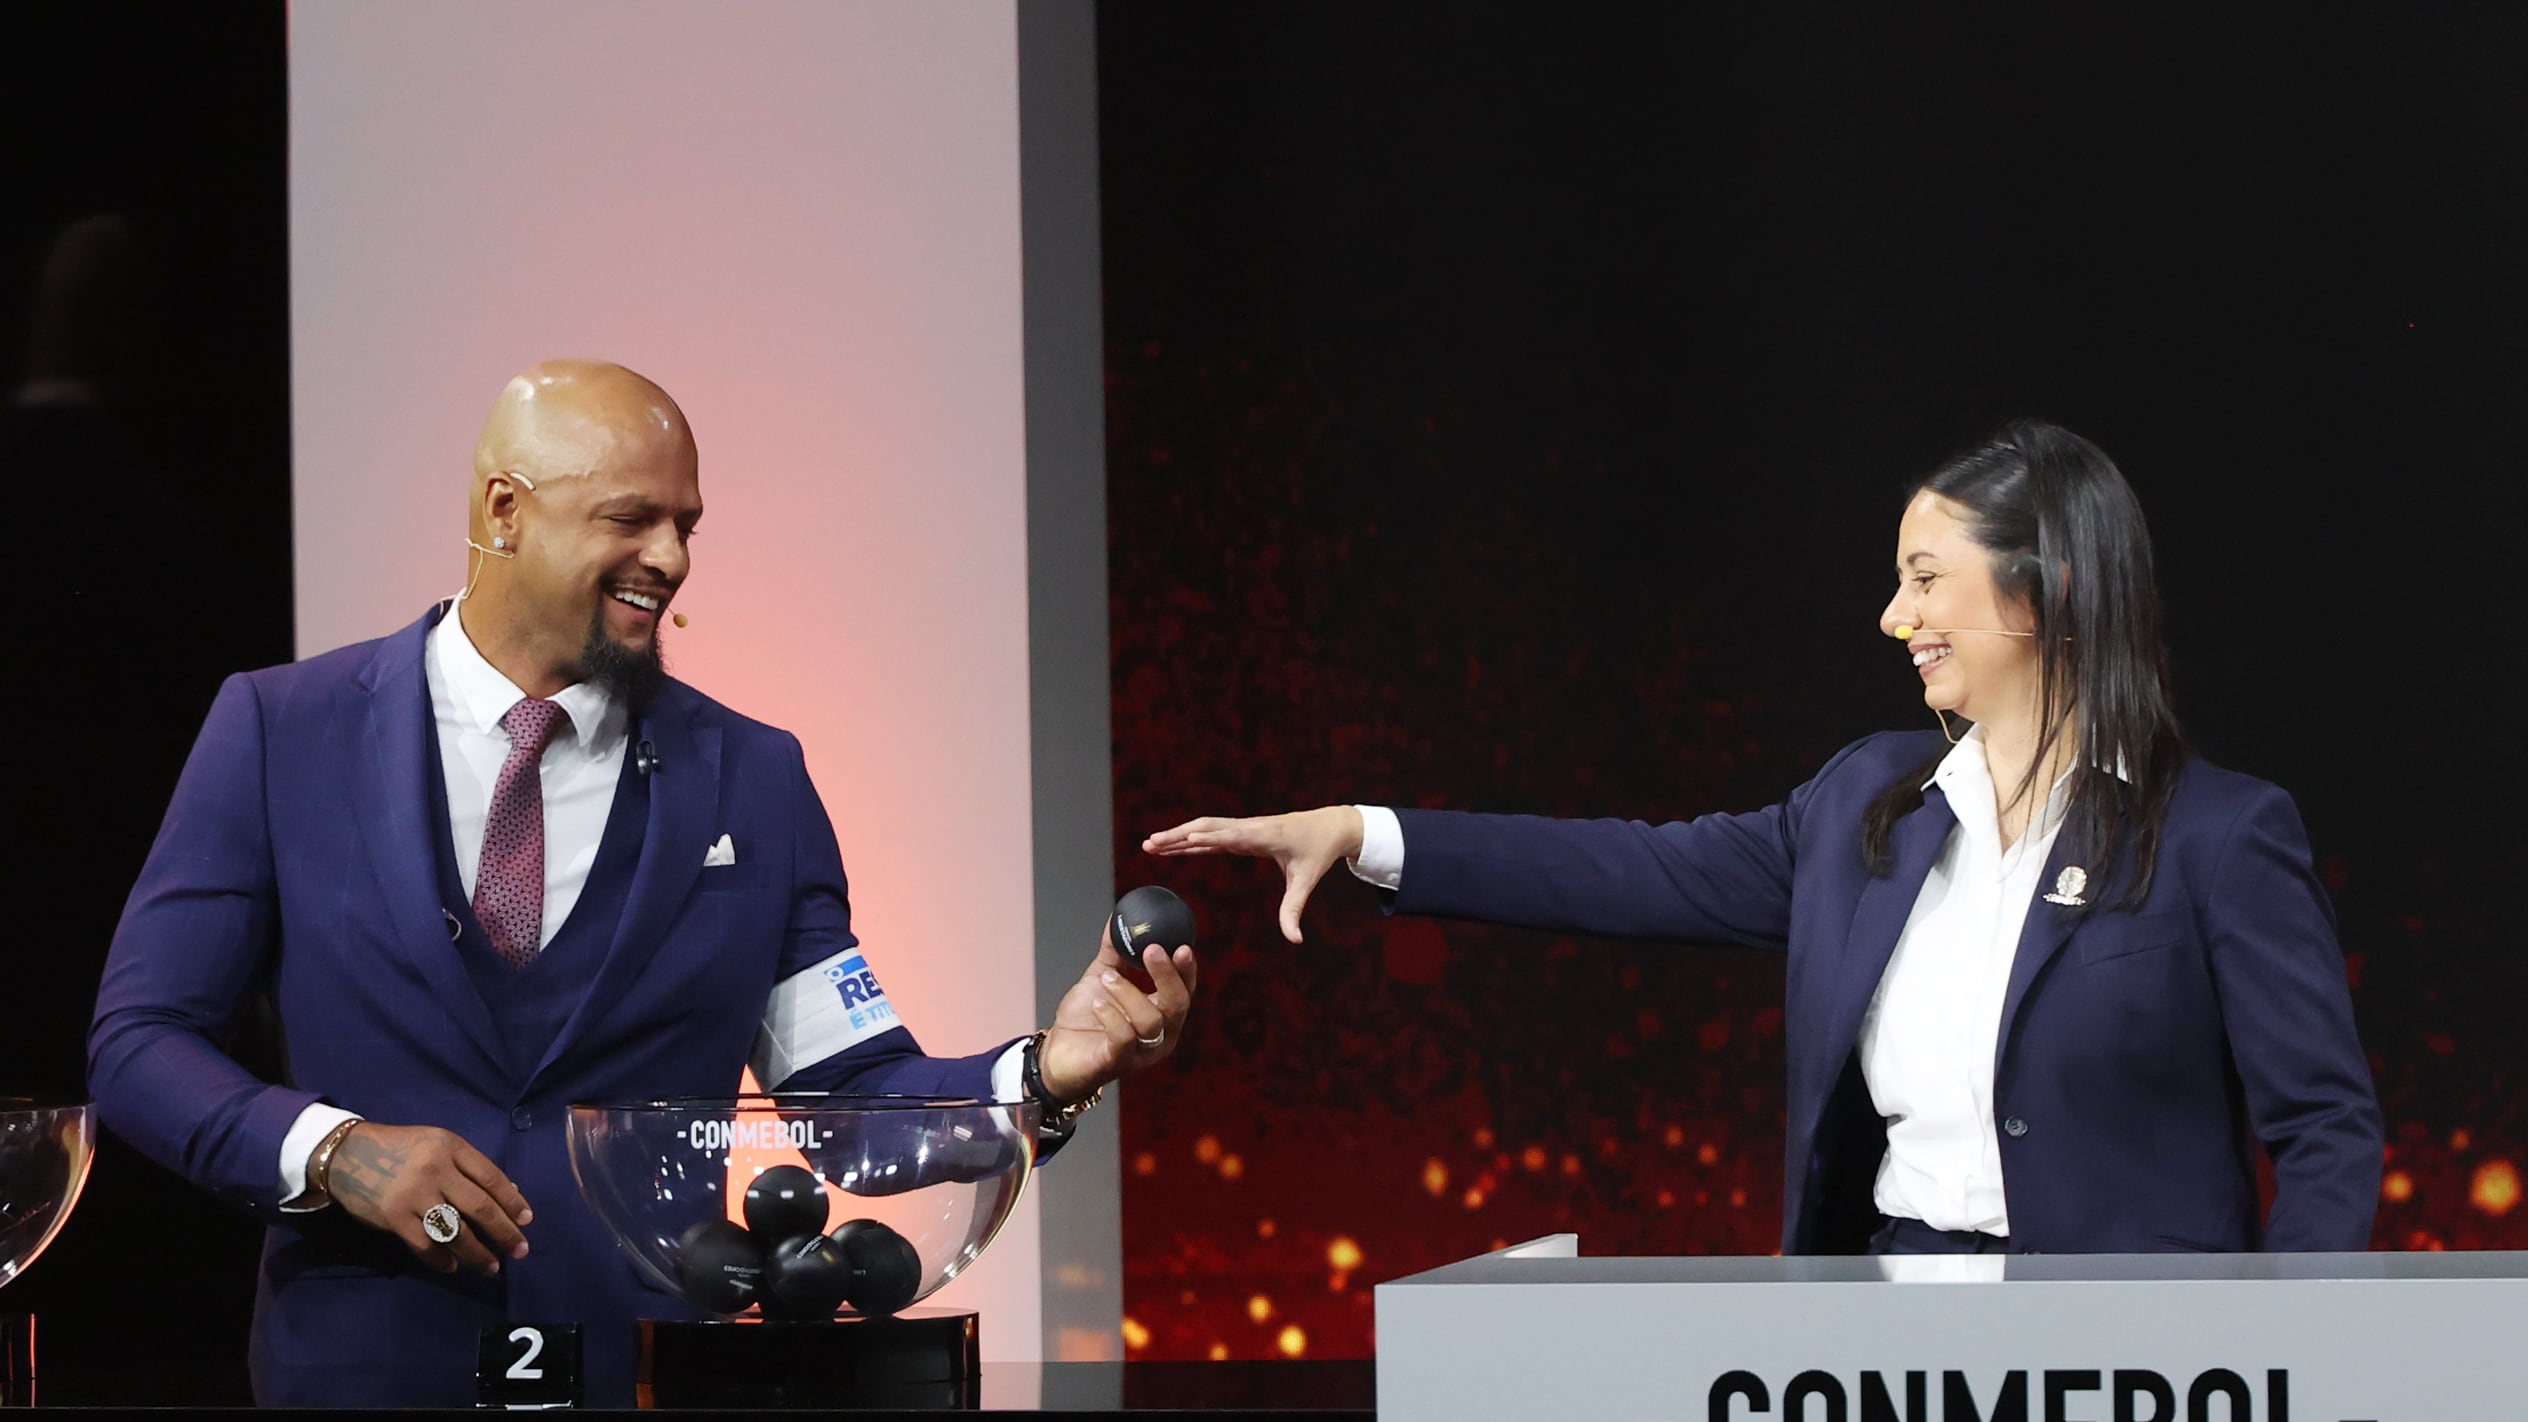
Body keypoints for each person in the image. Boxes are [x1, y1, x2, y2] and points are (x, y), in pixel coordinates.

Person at [87, 360, 1197, 1406]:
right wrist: (329, 1150)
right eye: (629, 519)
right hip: (361, 1375)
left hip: (644, 1380)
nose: (669, 559)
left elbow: (849, 1105)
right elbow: (141, 1043)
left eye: (685, 526)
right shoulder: (283, 733)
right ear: (501, 512)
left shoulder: (752, 778)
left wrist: (1050, 1072)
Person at [1147, 419, 2378, 1257]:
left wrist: (2279, 1359)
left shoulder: (2219, 834)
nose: (1893, 615)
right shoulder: (1863, 804)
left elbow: (2324, 1131)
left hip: (2134, 1367)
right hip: (1885, 1344)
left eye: (1924, 578)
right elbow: (1631, 869)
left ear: (2039, 591)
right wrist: (1364, 831)